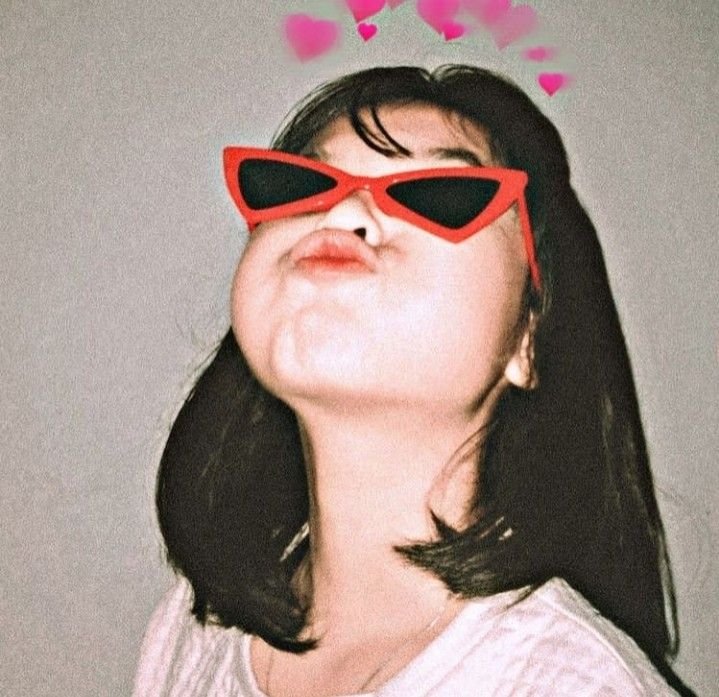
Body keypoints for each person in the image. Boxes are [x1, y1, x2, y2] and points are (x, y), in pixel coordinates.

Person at [132, 65, 693, 696]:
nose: (344, 210)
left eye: (439, 193)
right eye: (304, 185)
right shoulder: (193, 630)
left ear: (527, 339)